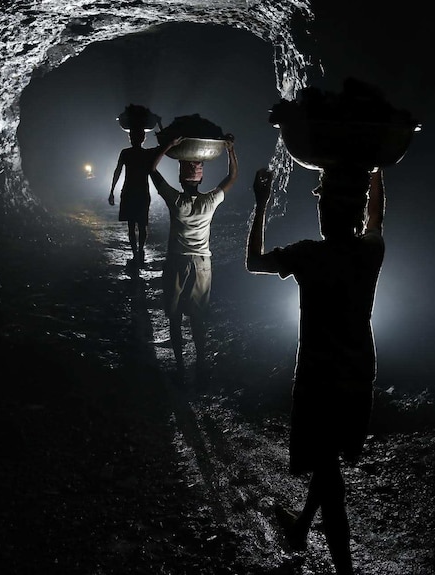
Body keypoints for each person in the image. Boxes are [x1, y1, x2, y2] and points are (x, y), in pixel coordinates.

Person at [246, 164, 386, 575]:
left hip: (318, 377)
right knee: (329, 463)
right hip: (359, 372)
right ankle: (302, 528)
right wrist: (374, 170)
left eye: (323, 205)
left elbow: (254, 262)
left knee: (330, 475)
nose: (321, 212)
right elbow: (377, 217)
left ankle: (344, 569)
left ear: (328, 214)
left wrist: (261, 204)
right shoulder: (369, 252)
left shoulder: (310, 255)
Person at [150, 134, 238, 376]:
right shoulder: (209, 201)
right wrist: (230, 150)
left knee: (175, 318)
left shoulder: (176, 201)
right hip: (202, 265)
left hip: (177, 261)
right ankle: (201, 363)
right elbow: (232, 177)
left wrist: (169, 145)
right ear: (201, 179)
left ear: (180, 178)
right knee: (198, 318)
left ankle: (180, 366)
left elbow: (152, 170)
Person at [108, 127, 158, 263]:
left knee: (133, 225)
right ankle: (138, 250)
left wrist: (112, 191)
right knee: (141, 225)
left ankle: (136, 252)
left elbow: (117, 171)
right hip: (140, 192)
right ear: (143, 138)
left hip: (130, 191)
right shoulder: (146, 154)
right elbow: (162, 146)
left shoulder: (126, 153)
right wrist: (111, 191)